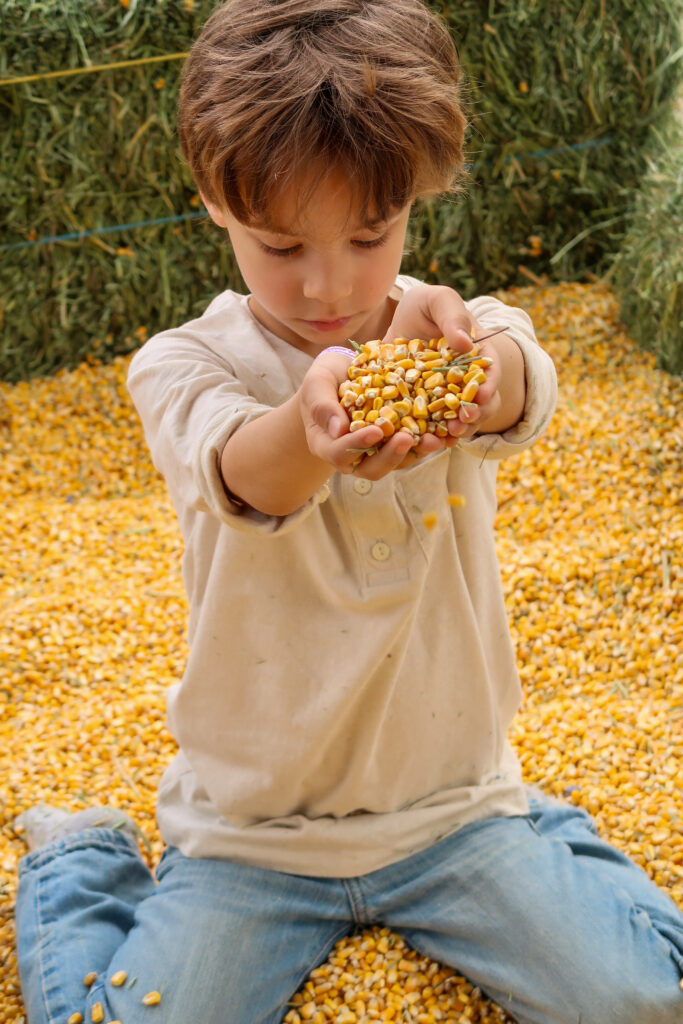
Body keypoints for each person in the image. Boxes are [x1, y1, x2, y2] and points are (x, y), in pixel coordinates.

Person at [14, 1, 683, 1022]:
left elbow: (518, 380)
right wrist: (315, 418)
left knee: (641, 1002)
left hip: (451, 809)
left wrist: (464, 371)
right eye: (281, 246)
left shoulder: (451, 328)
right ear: (212, 204)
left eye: (368, 236)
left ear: (414, 202)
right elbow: (246, 473)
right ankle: (80, 861)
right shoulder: (185, 366)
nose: (327, 285)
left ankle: (543, 829)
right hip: (255, 834)